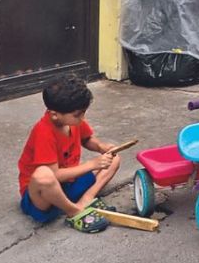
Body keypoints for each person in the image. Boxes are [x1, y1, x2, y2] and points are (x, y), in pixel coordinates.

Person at [17, 74, 121, 232]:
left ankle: (85, 201)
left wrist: (101, 147)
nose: (82, 118)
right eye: (78, 114)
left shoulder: (73, 121)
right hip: (41, 197)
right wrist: (92, 164)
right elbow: (54, 175)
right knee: (43, 174)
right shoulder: (43, 132)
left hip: (68, 184)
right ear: (54, 115)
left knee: (114, 158)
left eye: (83, 112)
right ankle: (74, 212)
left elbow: (87, 139)